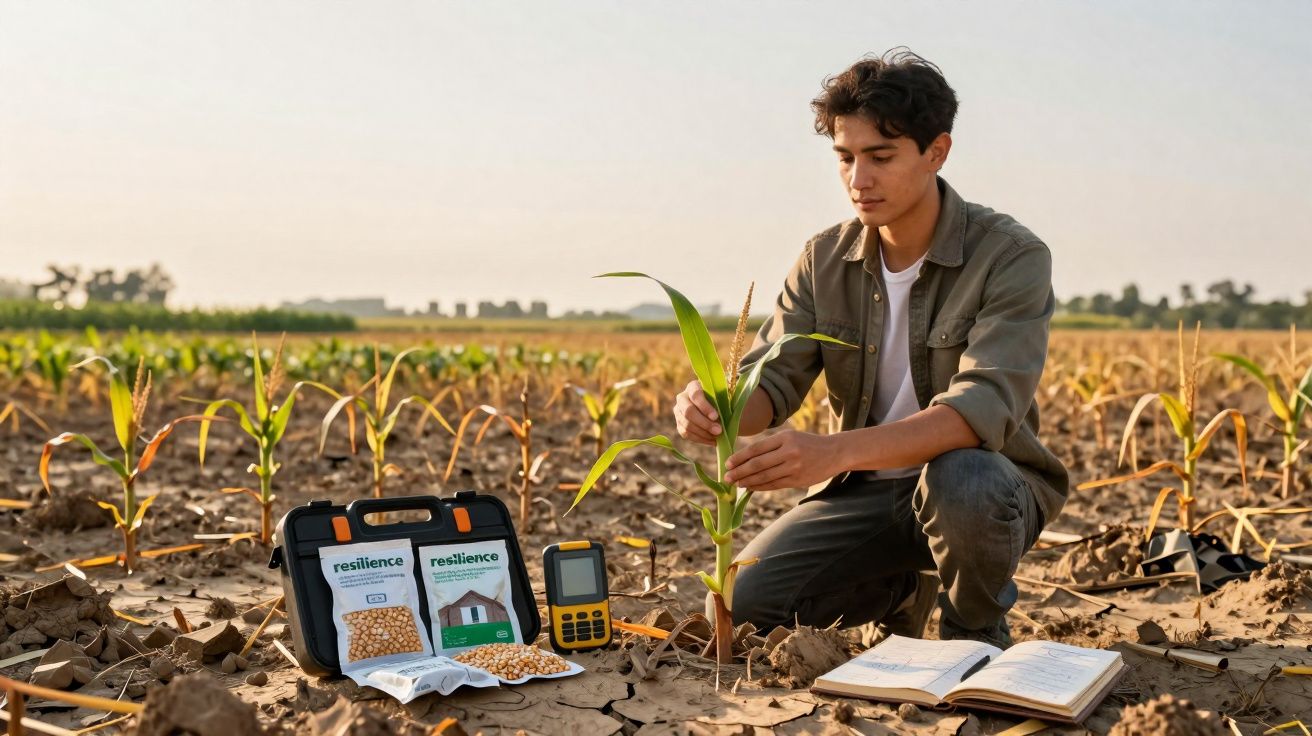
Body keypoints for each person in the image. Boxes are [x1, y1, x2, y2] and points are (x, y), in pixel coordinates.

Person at [674, 48, 1068, 648]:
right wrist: (715, 406)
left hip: (987, 489)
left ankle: (974, 634)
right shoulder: (823, 258)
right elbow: (771, 383)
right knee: (740, 606)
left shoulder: (1010, 256)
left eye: (881, 157)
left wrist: (832, 452)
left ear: (937, 152)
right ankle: (903, 591)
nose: (859, 180)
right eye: (845, 157)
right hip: (864, 493)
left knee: (963, 478)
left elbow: (979, 411)